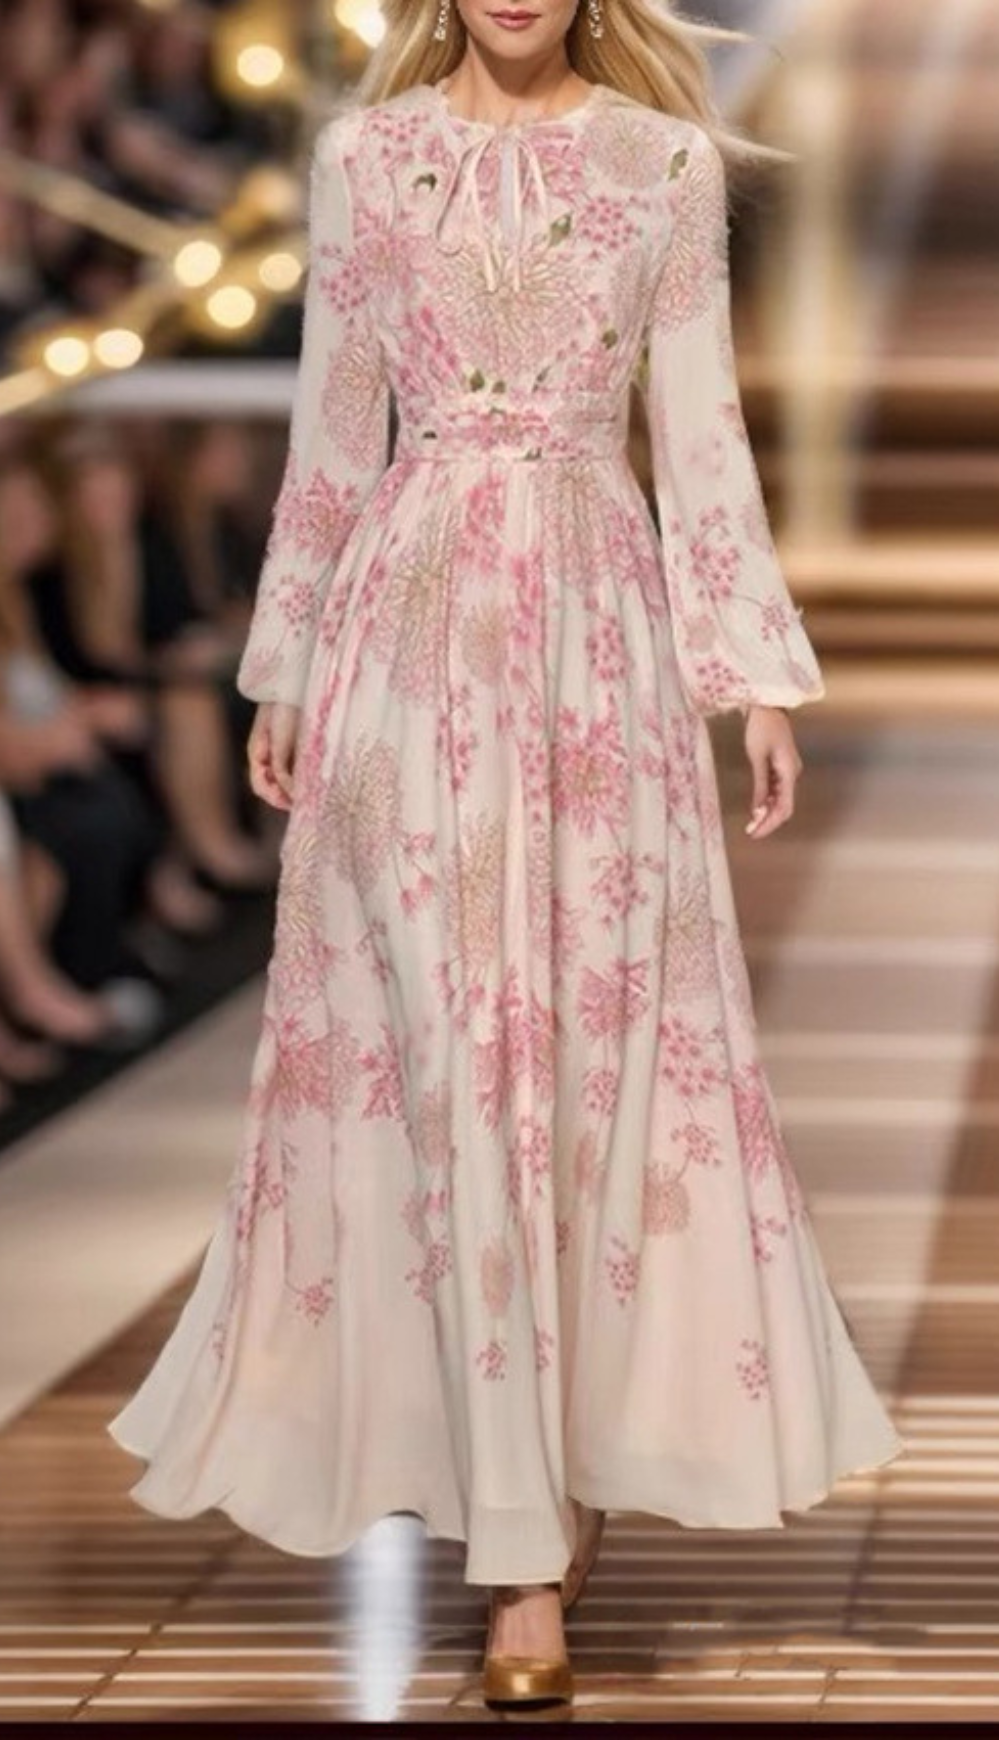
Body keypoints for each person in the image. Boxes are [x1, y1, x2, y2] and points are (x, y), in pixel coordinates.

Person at [108, 0, 906, 1710]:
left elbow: (699, 428)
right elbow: (337, 429)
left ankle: (554, 1464)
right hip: (403, 642)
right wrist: (285, 663)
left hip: (595, 648)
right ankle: (519, 1548)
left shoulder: (663, 167)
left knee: (587, 1067)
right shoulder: (364, 160)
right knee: (438, 1062)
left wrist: (753, 678)